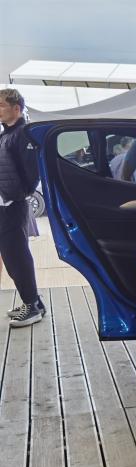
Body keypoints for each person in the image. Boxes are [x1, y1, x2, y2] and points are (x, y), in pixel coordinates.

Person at [0, 89, 45, 327]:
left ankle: (32, 307)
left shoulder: (23, 134)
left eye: (1, 105)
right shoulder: (7, 134)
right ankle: (35, 302)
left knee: (16, 257)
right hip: (6, 205)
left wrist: (16, 196)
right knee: (14, 256)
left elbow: (32, 173)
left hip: (12, 206)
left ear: (16, 108)